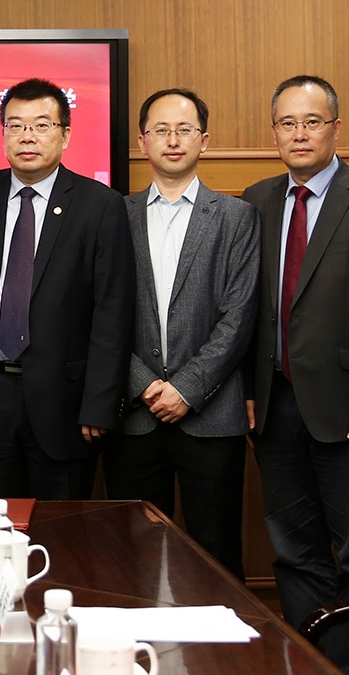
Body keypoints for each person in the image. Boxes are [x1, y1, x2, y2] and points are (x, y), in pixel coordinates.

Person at [243, 74, 349, 675]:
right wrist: (250, 388)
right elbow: (250, 308)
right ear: (274, 132)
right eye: (288, 123)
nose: (299, 134)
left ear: (336, 128)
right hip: (275, 404)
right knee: (294, 551)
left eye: (312, 122)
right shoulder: (257, 200)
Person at [0, 78, 133, 499]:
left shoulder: (99, 205)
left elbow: (113, 312)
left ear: (65, 135)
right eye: (16, 126)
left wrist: (100, 403)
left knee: (62, 526)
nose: (27, 136)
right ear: (3, 134)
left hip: (66, 402)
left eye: (41, 125)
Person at [107, 88, 258, 576]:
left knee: (216, 553)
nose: (173, 141)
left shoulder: (237, 217)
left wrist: (187, 388)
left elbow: (239, 316)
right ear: (142, 141)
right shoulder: (115, 214)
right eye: (161, 130)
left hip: (211, 415)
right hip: (134, 414)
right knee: (133, 556)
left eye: (184, 130)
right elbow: (102, 314)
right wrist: (145, 385)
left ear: (204, 140)